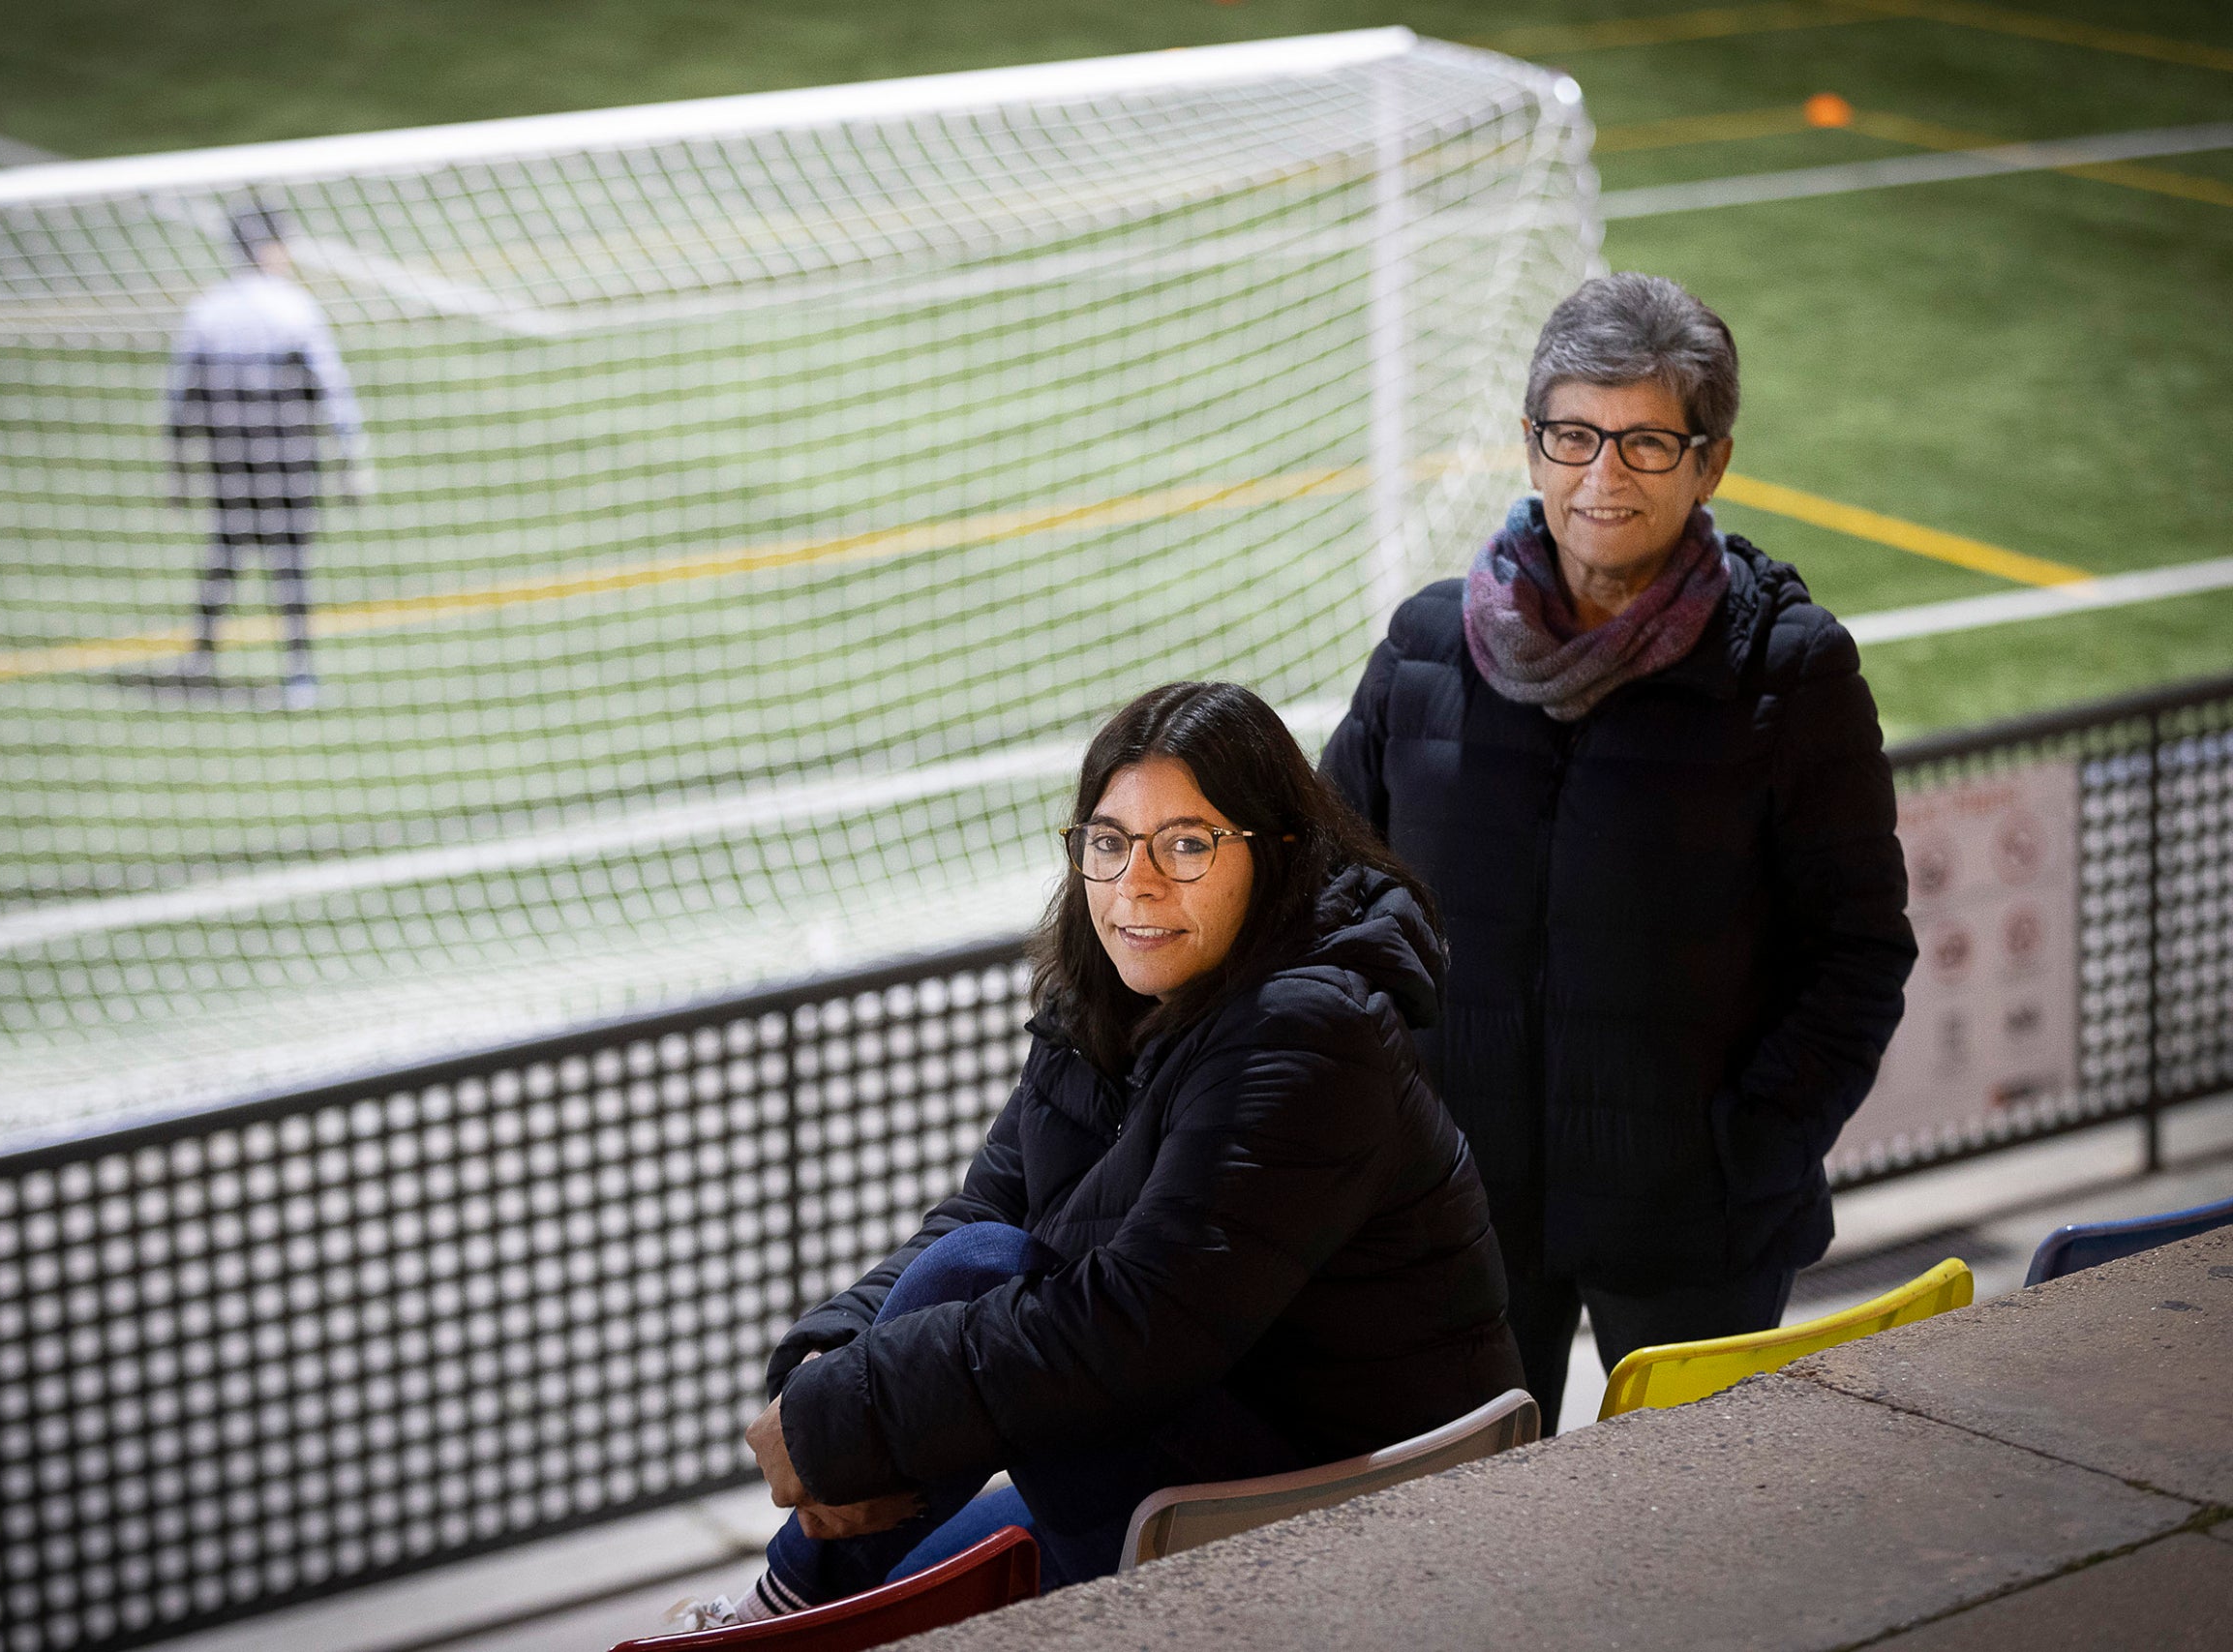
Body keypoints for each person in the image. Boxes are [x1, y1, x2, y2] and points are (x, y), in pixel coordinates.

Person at [685, 681, 1521, 1626]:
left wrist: (847, 1420)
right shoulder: (1110, 1002)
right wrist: (824, 1364)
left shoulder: (1310, 1032)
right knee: (908, 1546)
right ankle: (791, 1606)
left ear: (1278, 854)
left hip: (1364, 1504)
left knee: (986, 1324)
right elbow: (984, 1212)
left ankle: (771, 1614)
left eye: (1188, 843)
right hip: (1199, 1429)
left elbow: (1134, 1325)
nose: (1137, 884)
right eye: (1109, 843)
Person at [1318, 272, 1917, 1430]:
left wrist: (1743, 1150)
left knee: (1689, 1547)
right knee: (1470, 1537)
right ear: (1533, 447)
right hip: (1459, 1212)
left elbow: (1855, 955)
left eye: (1646, 443)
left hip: (1695, 1224)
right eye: (1576, 436)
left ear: (1711, 463)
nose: (1602, 478)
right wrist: (1392, 1122)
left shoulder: (1786, 672)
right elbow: (1335, 898)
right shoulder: (1426, 648)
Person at [164, 203, 368, 711]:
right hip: (288, 450)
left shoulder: (208, 309)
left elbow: (180, 393)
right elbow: (331, 386)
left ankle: (201, 658)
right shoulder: (294, 308)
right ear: (272, 249)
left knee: (226, 551)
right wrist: (353, 456)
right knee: (290, 562)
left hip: (229, 449)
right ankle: (299, 674)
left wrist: (176, 468)